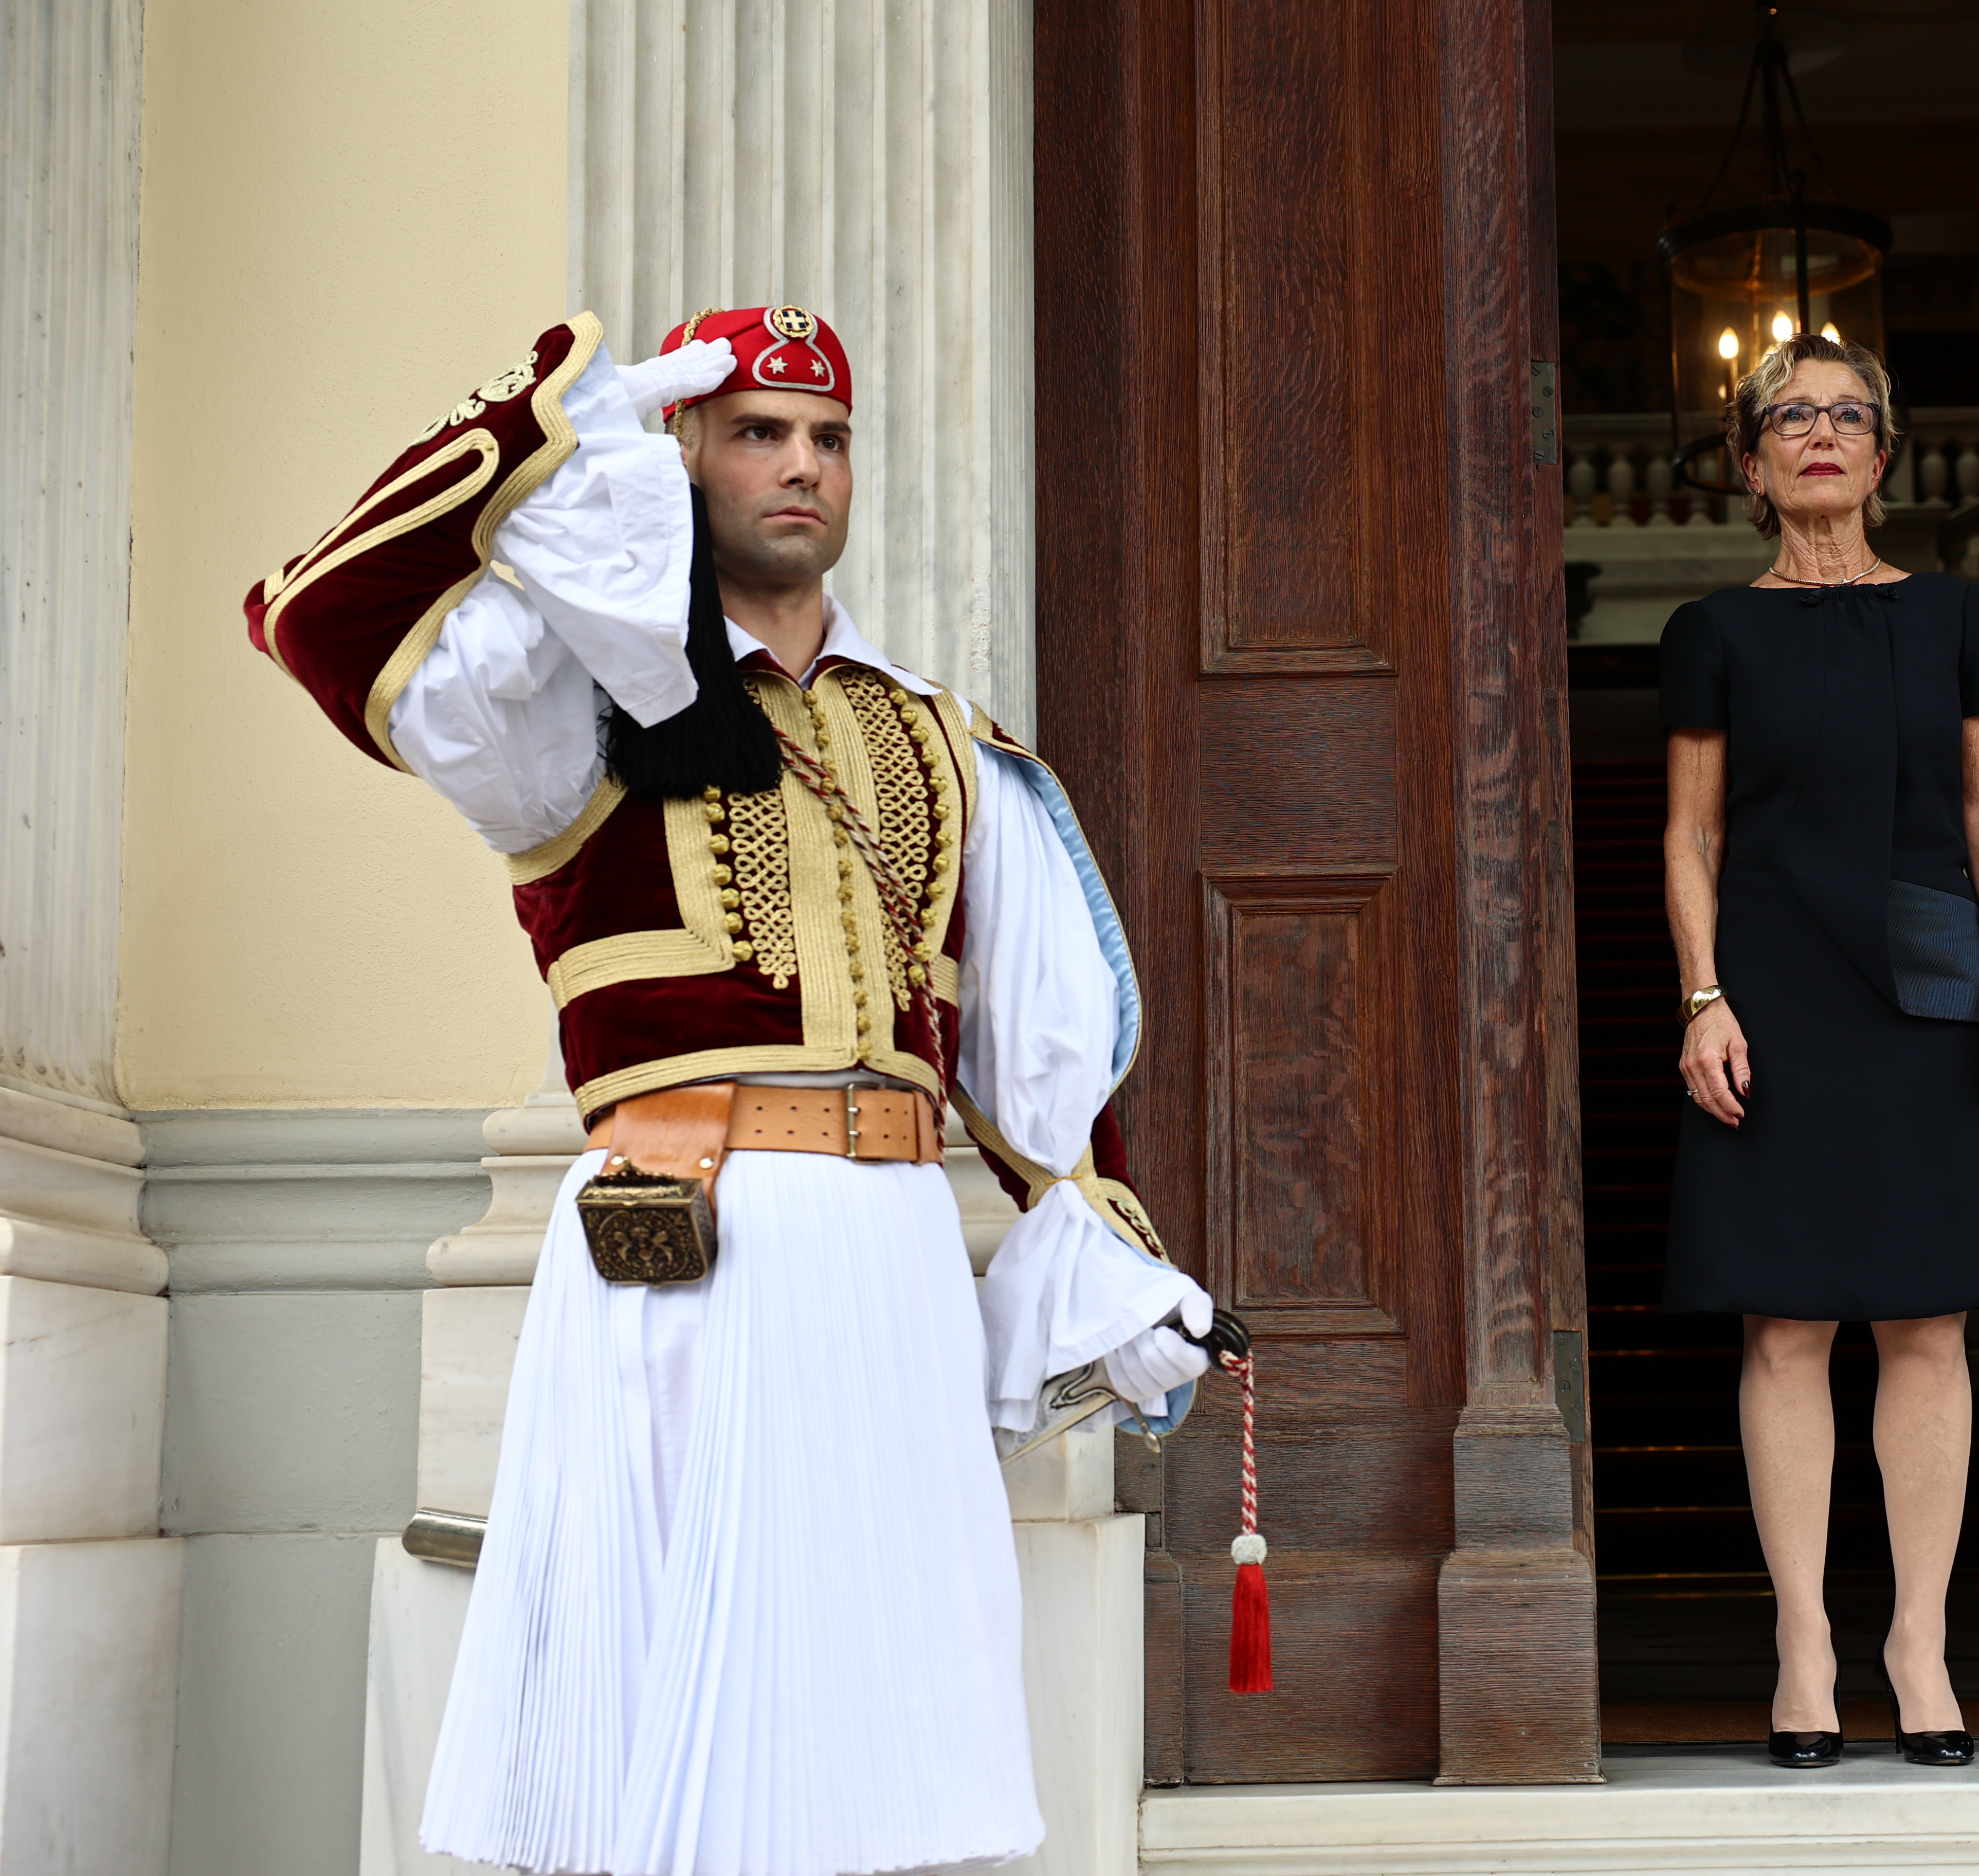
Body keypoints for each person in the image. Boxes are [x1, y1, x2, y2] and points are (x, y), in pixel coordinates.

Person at [244, 306, 1236, 1873]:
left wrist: (1104, 1249)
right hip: (682, 1243)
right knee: (662, 1687)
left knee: (878, 1673)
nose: (801, 466)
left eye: (828, 439)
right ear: (685, 458)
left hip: (896, 1247)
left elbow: (1041, 1048)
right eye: (759, 433)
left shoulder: (940, 735)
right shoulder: (571, 702)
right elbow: (323, 621)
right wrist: (558, 420)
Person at [1660, 333, 1979, 1773]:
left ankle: (1919, 1640)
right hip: (1778, 987)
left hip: (1930, 986)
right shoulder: (1714, 633)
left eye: (1850, 416)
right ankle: (1803, 1641)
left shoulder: (1956, 611)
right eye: (1794, 417)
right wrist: (1703, 998)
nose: (1823, 436)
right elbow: (1693, 833)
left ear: (1886, 453)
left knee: (1927, 1319)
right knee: (1786, 1323)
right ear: (1752, 459)